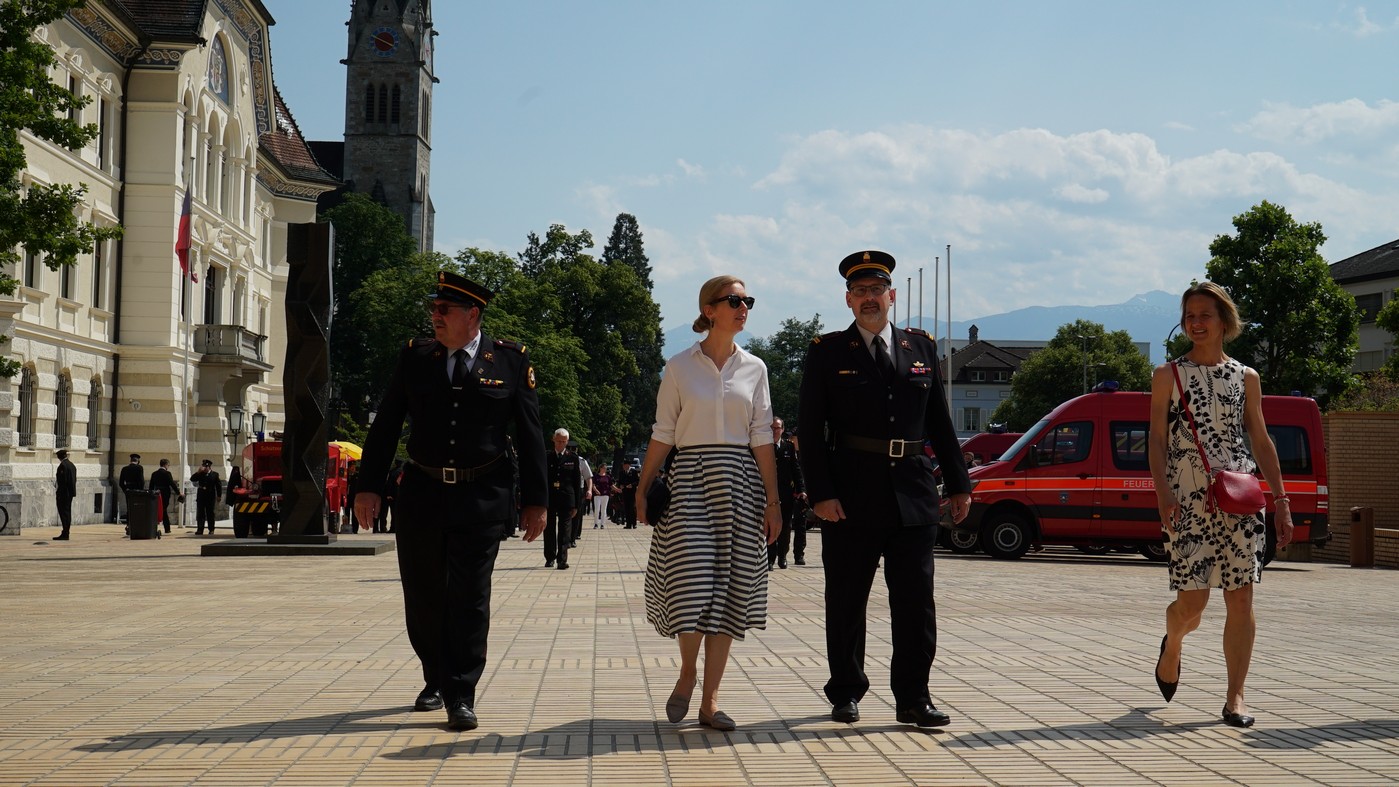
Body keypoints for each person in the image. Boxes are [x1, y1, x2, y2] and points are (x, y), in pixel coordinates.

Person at [354, 270, 547, 732]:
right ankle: (434, 676)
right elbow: (386, 425)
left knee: (469, 596)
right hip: (422, 492)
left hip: (483, 496)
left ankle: (460, 691)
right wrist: (369, 485)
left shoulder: (510, 361)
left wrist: (537, 501)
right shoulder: (416, 357)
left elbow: (530, 433)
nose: (434, 316)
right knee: (423, 595)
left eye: (444, 310)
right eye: (433, 309)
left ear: (472, 315)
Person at [798, 249, 972, 728]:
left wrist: (959, 484)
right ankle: (846, 690)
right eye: (860, 292)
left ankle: (915, 697)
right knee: (848, 599)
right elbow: (809, 432)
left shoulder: (921, 348)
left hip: (913, 494)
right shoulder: (827, 351)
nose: (869, 298)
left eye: (877, 290)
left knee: (916, 603)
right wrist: (821, 493)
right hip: (850, 495)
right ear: (848, 301)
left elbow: (940, 421)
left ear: (891, 296)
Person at [637, 274, 783, 732]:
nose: (743, 308)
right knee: (692, 585)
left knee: (731, 595)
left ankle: (710, 701)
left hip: (741, 482)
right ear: (709, 310)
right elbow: (664, 431)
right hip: (691, 483)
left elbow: (762, 437)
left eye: (748, 301)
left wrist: (773, 501)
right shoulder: (679, 366)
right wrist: (642, 487)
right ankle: (687, 672)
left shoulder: (755, 368)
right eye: (734, 300)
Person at [1149, 281, 1293, 729]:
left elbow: (1261, 439)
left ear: (1224, 322)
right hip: (1188, 499)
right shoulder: (1168, 375)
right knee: (1192, 605)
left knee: (1241, 599)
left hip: (1240, 497)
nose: (1195, 323)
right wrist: (1163, 493)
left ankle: (1235, 698)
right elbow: (1155, 440)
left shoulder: (1246, 376)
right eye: (1189, 315)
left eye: (1204, 315)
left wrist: (1281, 501)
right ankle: (1172, 645)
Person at [768, 417, 807, 569]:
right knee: (770, 526)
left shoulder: (788, 447)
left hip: (785, 494)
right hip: (769, 493)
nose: (774, 431)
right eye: (771, 428)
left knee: (785, 527)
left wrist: (801, 489)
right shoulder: (764, 447)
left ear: (782, 430)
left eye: (777, 428)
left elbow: (796, 470)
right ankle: (770, 558)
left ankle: (782, 556)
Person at [544, 428, 581, 568]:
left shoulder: (572, 458)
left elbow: (577, 482)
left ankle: (562, 559)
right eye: (559, 441)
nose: (561, 444)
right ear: (554, 440)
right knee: (549, 529)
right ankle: (550, 557)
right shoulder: (547, 457)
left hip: (567, 498)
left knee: (565, 529)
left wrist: (577, 504)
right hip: (550, 497)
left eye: (564, 442)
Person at [190, 459, 222, 535]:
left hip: (210, 496)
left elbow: (218, 486)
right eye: (203, 466)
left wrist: (219, 495)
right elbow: (192, 479)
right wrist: (198, 472)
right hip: (201, 495)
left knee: (210, 513)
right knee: (200, 513)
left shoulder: (215, 474)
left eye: (205, 467)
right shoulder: (200, 474)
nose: (204, 468)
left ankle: (211, 529)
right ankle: (200, 529)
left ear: (209, 467)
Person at [149, 458, 180, 534]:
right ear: (166, 465)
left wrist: (151, 494)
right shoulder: (167, 473)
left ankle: (156, 527)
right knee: (164, 510)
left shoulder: (154, 473)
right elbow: (172, 484)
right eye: (168, 465)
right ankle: (167, 528)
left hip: (156, 493)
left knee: (158, 510)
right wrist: (178, 493)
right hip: (165, 493)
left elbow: (151, 486)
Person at [54, 450, 77, 540]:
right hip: (70, 493)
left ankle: (65, 532)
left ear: (60, 457)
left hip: (63, 494)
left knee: (63, 513)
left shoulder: (63, 466)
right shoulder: (72, 465)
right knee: (67, 513)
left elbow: (62, 481)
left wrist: (59, 492)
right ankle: (66, 531)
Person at [118, 453, 144, 526]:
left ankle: (128, 524)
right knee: (138, 507)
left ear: (131, 460)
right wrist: (141, 490)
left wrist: (125, 490)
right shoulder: (139, 468)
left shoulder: (124, 469)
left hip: (128, 490)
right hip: (137, 490)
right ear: (138, 461)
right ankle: (137, 523)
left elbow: (121, 483)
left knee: (129, 507)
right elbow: (141, 481)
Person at [616, 457, 639, 528]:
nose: (624, 467)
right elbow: (619, 482)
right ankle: (628, 524)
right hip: (625, 493)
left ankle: (634, 523)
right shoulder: (621, 472)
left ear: (628, 465)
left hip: (632, 493)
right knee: (626, 508)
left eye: (625, 465)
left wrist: (632, 485)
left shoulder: (634, 472)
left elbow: (638, 481)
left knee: (632, 508)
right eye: (623, 466)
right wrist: (620, 486)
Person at [592, 464, 612, 529]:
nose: (604, 469)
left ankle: (602, 524)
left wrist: (617, 489)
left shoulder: (608, 477)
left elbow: (611, 485)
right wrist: (596, 490)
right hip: (597, 495)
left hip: (605, 495)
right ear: (600, 468)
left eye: (605, 468)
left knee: (604, 510)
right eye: (603, 468)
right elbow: (593, 485)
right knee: (597, 509)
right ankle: (596, 523)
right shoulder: (596, 476)